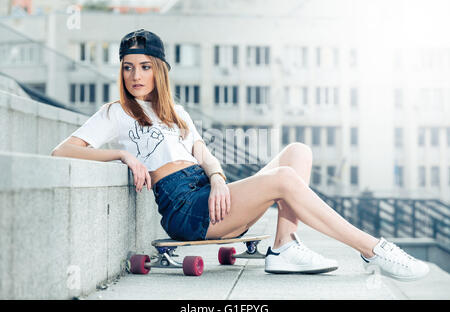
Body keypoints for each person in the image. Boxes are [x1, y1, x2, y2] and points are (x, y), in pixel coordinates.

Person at [51, 29, 429, 281]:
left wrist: (216, 178)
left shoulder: (175, 112)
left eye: (145, 66)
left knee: (296, 152)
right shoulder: (115, 112)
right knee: (282, 181)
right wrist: (122, 155)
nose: (136, 75)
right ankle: (373, 249)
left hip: (208, 193)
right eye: (128, 67)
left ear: (160, 71)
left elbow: (202, 152)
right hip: (185, 210)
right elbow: (62, 151)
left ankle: (284, 248)